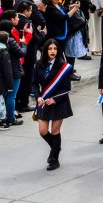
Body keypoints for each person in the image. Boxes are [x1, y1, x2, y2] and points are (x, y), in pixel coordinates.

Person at [33, 39, 74, 171]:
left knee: (55, 131)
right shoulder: (38, 64)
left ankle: (54, 158)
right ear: (45, 50)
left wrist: (55, 99)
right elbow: (34, 84)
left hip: (58, 102)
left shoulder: (63, 67)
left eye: (55, 49)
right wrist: (38, 96)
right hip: (44, 101)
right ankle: (56, 147)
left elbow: (67, 88)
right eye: (50, 49)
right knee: (43, 131)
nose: (52, 51)